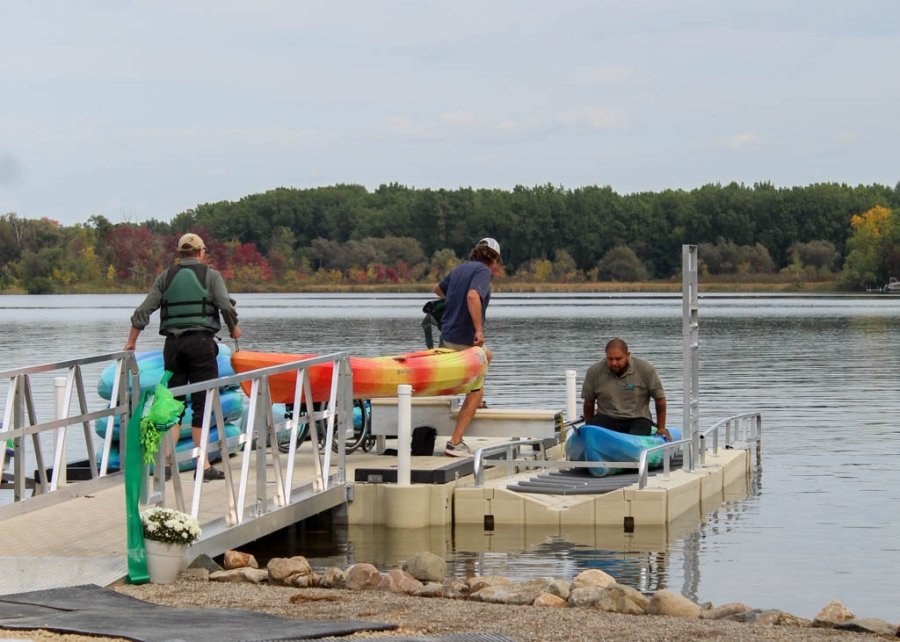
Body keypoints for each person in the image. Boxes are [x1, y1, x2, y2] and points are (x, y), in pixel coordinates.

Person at [124, 233, 242, 480]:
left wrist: (131, 341)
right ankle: (204, 466)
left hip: (173, 346)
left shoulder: (166, 277)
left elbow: (144, 310)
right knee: (203, 403)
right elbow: (225, 305)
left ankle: (167, 465)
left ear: (179, 254)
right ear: (201, 253)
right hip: (201, 345)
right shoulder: (211, 276)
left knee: (173, 404)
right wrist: (233, 329)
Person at [433, 237, 501, 457]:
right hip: (465, 338)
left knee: (487, 355)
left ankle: (478, 401)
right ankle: (455, 443)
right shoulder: (483, 271)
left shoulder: (460, 269)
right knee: (476, 386)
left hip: (447, 336)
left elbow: (437, 289)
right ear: (494, 259)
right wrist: (478, 330)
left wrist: (455, 296)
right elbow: (473, 295)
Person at [581, 338, 670, 440]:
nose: (614, 363)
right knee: (594, 426)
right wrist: (588, 427)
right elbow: (588, 402)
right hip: (606, 418)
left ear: (628, 355)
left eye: (618, 359)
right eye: (610, 359)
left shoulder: (646, 369)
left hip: (638, 419)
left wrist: (661, 427)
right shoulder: (594, 371)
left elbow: (660, 399)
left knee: (639, 430)